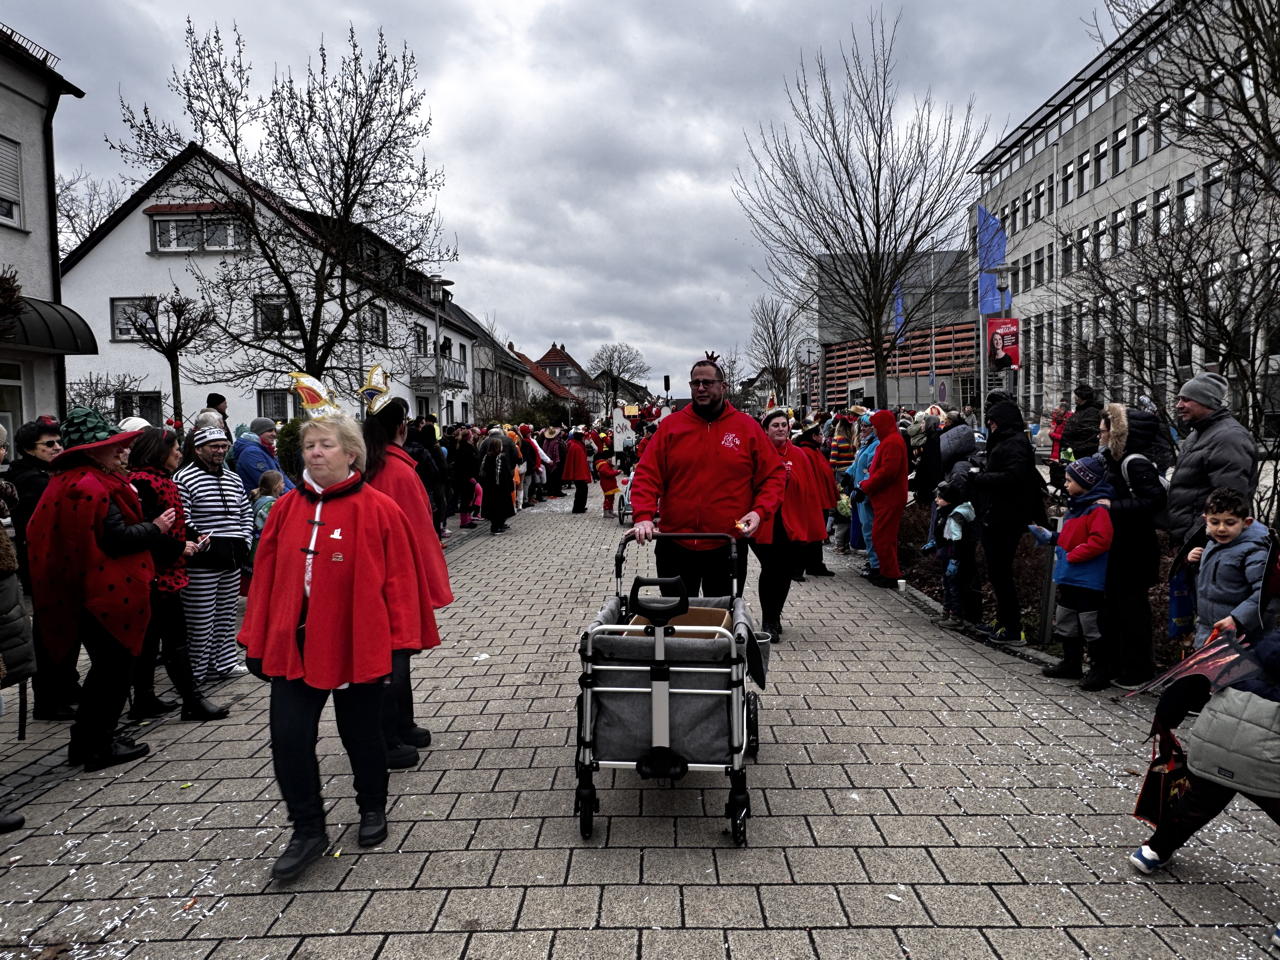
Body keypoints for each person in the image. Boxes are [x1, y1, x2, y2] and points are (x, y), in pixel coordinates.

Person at [239, 414, 436, 881]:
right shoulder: (286, 509)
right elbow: (264, 579)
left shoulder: (380, 509)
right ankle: (307, 829)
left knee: (361, 733)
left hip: (356, 642)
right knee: (289, 738)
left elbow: (401, 584)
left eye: (325, 444)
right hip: (296, 644)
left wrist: (397, 646)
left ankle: (372, 808)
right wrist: (256, 638)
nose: (314, 452)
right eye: (308, 445)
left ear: (350, 453)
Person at [27, 407, 169, 771]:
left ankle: (93, 737)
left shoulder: (77, 481)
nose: (121, 451)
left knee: (109, 671)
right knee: (112, 672)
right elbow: (113, 539)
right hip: (102, 596)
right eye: (113, 446)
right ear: (92, 451)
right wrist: (156, 528)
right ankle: (95, 746)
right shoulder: (87, 486)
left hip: (92, 594)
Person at [1127, 624, 1280, 955]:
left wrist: (1167, 720)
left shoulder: (1251, 646)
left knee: (1199, 800)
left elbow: (1190, 682)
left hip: (1214, 742)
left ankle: (1153, 851)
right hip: (1270, 759)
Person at [629, 355, 785, 598]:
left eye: (707, 383)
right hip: (675, 543)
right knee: (675, 621)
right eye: (695, 383)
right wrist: (643, 517)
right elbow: (647, 474)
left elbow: (773, 475)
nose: (700, 388)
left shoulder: (746, 427)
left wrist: (759, 511)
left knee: (722, 621)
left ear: (723, 386)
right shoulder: (671, 427)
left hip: (727, 542)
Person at [362, 395, 453, 769]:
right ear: (401, 426)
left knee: (396, 656)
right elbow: (420, 531)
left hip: (380, 575)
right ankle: (386, 737)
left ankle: (402, 723)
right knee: (394, 656)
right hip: (397, 577)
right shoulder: (397, 471)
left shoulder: (375, 464)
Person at [127, 427, 230, 722]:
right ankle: (191, 700)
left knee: (153, 638)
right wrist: (177, 547)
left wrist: (195, 536)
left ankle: (145, 698)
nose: (179, 455)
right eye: (175, 451)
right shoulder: (144, 483)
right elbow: (148, 529)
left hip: (166, 569)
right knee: (174, 639)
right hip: (157, 572)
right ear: (159, 453)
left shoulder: (161, 480)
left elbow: (174, 521)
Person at [9, 417, 78, 720]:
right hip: (46, 568)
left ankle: (65, 687)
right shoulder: (32, 481)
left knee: (64, 632)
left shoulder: (44, 474)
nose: (57, 448)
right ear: (28, 449)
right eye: (48, 444)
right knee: (51, 635)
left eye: (59, 442)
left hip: (54, 565)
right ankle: (49, 700)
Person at [1097, 404, 1168, 688]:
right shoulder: (1118, 460)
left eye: (1104, 431)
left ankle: (1138, 669)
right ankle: (1123, 665)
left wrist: (1113, 506)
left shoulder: (1134, 462)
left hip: (1135, 549)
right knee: (1119, 608)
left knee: (1132, 610)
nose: (1099, 436)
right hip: (1124, 546)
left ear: (1118, 434)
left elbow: (1153, 501)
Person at [175, 427, 254, 682]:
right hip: (203, 560)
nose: (220, 451)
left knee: (226, 613)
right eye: (214, 446)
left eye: (224, 446)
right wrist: (205, 544)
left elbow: (245, 511)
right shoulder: (184, 478)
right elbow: (183, 517)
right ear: (198, 449)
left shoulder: (232, 478)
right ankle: (197, 670)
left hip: (232, 556)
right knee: (200, 618)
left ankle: (225, 663)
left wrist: (245, 540)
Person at [968, 400, 1048, 646]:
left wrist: (981, 478)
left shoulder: (1014, 444)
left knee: (1001, 573)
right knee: (996, 572)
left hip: (1007, 516)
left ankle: (1012, 627)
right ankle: (1003, 621)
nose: (989, 425)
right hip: (998, 514)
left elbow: (1013, 478)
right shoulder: (1007, 441)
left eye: (992, 421)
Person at [1031, 455, 1115, 687]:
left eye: (1070, 480)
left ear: (1086, 482)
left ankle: (1100, 669)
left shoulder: (1097, 509)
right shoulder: (1076, 507)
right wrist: (1051, 538)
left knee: (1091, 624)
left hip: (1087, 579)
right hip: (1070, 575)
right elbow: (1070, 538)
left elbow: (1100, 541)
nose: (1066, 484)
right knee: (1066, 618)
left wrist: (1073, 555)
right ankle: (1071, 662)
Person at [751, 409, 828, 638]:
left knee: (784, 572)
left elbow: (808, 491)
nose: (781, 429)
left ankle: (775, 616)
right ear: (766, 429)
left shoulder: (799, 455)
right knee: (770, 568)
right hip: (764, 523)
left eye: (784, 424)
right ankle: (768, 619)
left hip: (791, 523)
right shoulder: (756, 454)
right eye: (775, 425)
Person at [1166, 371, 1258, 546]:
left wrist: (1193, 539)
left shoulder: (1229, 438)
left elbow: (1228, 502)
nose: (1178, 405)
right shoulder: (1197, 435)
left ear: (1206, 401)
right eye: (1179, 399)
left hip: (1208, 543)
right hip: (1193, 544)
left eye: (1185, 399)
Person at [1186, 487, 1269, 648]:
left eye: (1230, 522)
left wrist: (1237, 618)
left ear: (1246, 522)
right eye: (1215, 522)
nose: (1221, 528)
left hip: (1239, 634)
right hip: (1208, 629)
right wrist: (1194, 562)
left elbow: (1263, 593)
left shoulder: (1254, 551)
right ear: (1206, 520)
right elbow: (1213, 580)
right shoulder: (1212, 543)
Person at [853, 410, 909, 588]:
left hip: (889, 497)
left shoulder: (891, 442)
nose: (873, 429)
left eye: (875, 426)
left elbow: (886, 473)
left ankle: (890, 574)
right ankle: (886, 572)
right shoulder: (889, 441)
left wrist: (866, 486)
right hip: (886, 496)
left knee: (883, 536)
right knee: (881, 535)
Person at [931, 480, 980, 630]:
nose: (936, 500)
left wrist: (954, 559)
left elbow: (956, 540)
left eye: (939, 497)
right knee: (947, 584)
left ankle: (955, 616)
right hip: (948, 553)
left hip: (954, 556)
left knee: (953, 586)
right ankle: (946, 612)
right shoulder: (946, 512)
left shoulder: (954, 516)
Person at [848, 414, 880, 573]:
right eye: (862, 426)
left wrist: (862, 487)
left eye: (866, 426)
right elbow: (858, 463)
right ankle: (873, 561)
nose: (863, 429)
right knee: (866, 528)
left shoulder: (875, 445)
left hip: (867, 493)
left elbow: (871, 470)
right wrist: (848, 474)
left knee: (870, 528)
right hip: (860, 491)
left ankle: (876, 564)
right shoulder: (866, 444)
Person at [233, 417, 295, 496]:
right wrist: (292, 498)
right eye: (269, 431)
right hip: (262, 503)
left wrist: (298, 494)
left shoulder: (265, 451)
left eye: (274, 431)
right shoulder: (252, 453)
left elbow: (283, 478)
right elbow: (270, 484)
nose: (274, 434)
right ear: (258, 433)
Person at [479, 433, 516, 534]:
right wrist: (509, 485)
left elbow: (483, 472)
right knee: (500, 507)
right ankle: (496, 526)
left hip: (489, 487)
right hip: (500, 487)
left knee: (492, 507)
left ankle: (497, 525)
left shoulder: (486, 457)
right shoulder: (500, 458)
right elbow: (504, 473)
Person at [1059, 383, 1104, 460]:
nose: (1074, 398)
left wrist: (1073, 451)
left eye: (1076, 395)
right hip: (1069, 451)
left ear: (1083, 397)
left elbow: (1088, 436)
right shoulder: (1080, 410)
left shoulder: (1091, 412)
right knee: (1067, 469)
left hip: (1079, 455)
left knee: (1072, 469)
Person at [562, 428, 592, 514]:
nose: (584, 439)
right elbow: (579, 463)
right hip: (579, 474)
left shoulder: (575, 445)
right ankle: (578, 508)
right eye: (583, 437)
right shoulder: (576, 447)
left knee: (581, 490)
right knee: (581, 490)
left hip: (579, 473)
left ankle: (580, 506)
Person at [595, 450, 621, 518]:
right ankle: (606, 512)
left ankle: (610, 511)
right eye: (611, 458)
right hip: (607, 485)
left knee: (611, 498)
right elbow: (608, 473)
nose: (612, 460)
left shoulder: (606, 465)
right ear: (607, 458)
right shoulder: (604, 465)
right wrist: (617, 472)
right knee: (608, 498)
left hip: (610, 484)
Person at [542, 426, 565, 498]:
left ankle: (552, 491)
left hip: (548, 461)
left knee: (551, 477)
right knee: (556, 477)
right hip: (555, 461)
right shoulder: (555, 442)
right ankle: (557, 491)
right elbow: (556, 453)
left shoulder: (545, 441)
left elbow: (544, 451)